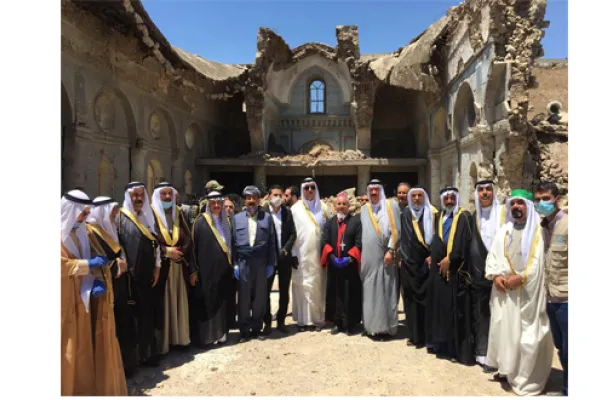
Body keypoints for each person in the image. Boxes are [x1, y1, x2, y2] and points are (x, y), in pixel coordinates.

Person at [485, 189, 553, 396]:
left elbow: (539, 262)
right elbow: (493, 256)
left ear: (529, 206)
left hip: (529, 294)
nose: (516, 207)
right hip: (505, 291)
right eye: (513, 203)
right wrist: (496, 276)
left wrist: (522, 277)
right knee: (505, 332)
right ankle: (507, 369)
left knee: (528, 336)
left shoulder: (540, 232)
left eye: (520, 203)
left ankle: (527, 378)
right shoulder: (504, 231)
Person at [116, 182, 162, 371]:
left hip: (147, 277)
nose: (139, 198)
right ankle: (132, 362)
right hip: (129, 280)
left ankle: (148, 355)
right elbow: (117, 246)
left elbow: (155, 244)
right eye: (135, 195)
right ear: (128, 196)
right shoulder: (120, 218)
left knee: (147, 316)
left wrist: (157, 266)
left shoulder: (147, 216)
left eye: (141, 195)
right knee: (132, 319)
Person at [86, 196, 128, 395]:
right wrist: (115, 265)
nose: (114, 214)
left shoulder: (107, 228)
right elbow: (95, 260)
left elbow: (118, 251)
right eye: (112, 211)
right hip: (102, 287)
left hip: (116, 285)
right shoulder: (91, 232)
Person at [426, 187, 473, 365]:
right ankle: (440, 344)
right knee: (440, 307)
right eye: (446, 198)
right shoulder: (438, 216)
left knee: (453, 310)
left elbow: (465, 241)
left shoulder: (464, 216)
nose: (449, 201)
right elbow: (437, 239)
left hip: (455, 271)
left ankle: (454, 348)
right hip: (438, 270)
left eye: (452, 198)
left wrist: (450, 258)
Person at [61, 189, 101, 395]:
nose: (85, 218)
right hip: (63, 301)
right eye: (82, 214)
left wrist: (95, 278)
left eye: (87, 214)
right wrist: (87, 265)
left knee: (81, 346)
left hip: (79, 298)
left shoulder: (80, 234)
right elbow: (60, 265)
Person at [467, 180, 506, 372]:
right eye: (481, 190)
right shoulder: (473, 217)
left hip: (501, 276)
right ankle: (482, 354)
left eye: (488, 189)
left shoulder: (504, 215)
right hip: (478, 276)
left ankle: (501, 357)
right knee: (480, 316)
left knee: (501, 317)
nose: (484, 193)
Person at [151, 182, 193, 354]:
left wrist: (181, 251)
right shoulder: (151, 214)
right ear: (157, 196)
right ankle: (164, 344)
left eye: (170, 193)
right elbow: (149, 240)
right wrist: (166, 252)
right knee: (163, 303)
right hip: (160, 268)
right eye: (164, 194)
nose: (168, 197)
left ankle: (179, 339)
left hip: (178, 267)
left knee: (178, 302)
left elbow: (188, 237)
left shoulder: (179, 213)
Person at [231, 186, 278, 342]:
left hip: (261, 262)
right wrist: (235, 264)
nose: (251, 201)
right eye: (248, 198)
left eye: (254, 198)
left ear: (259, 200)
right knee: (244, 297)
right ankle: (244, 331)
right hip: (243, 262)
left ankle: (256, 329)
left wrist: (271, 264)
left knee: (259, 297)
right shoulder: (236, 219)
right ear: (245, 200)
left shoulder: (267, 218)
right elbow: (232, 244)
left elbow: (272, 242)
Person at [534, 181, 568, 396]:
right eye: (538, 200)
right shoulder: (544, 226)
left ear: (557, 199)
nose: (542, 203)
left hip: (567, 298)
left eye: (546, 199)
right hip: (551, 297)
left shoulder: (568, 225)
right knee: (562, 347)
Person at [189, 191, 235, 346]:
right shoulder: (200, 221)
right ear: (208, 205)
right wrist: (193, 270)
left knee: (222, 303)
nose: (216, 206)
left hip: (224, 272)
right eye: (213, 203)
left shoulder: (226, 221)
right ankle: (209, 337)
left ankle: (222, 334)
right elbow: (193, 248)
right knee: (209, 303)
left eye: (218, 203)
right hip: (206, 272)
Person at [360, 179, 401, 340]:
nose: (373, 193)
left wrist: (391, 250)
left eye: (376, 189)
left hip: (385, 256)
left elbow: (396, 231)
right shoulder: (364, 209)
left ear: (381, 191)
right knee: (369, 291)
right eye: (371, 190)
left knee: (386, 290)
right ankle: (371, 327)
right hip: (369, 257)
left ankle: (385, 329)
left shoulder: (391, 206)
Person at [398, 187, 437, 348]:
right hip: (409, 264)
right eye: (413, 195)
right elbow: (402, 238)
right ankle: (414, 336)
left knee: (428, 300)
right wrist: (403, 258)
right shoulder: (405, 214)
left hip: (427, 263)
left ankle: (428, 337)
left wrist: (433, 255)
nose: (416, 198)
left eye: (420, 195)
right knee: (410, 300)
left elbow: (438, 237)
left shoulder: (432, 213)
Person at [290, 177, 330, 332]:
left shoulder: (324, 208)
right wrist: (292, 253)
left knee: (317, 287)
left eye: (312, 187)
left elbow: (329, 230)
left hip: (319, 255)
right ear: (302, 189)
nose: (310, 190)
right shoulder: (295, 209)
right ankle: (303, 321)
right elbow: (291, 233)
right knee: (303, 286)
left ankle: (317, 320)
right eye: (306, 188)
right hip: (300, 254)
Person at [320, 192, 362, 335]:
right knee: (335, 294)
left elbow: (359, 242)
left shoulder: (356, 221)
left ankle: (351, 324)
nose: (341, 206)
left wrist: (349, 259)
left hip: (349, 266)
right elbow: (324, 242)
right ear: (335, 206)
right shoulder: (329, 223)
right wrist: (332, 258)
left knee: (351, 293)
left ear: (349, 206)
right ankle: (337, 323)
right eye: (339, 204)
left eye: (344, 204)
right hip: (334, 267)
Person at [262, 184, 297, 334]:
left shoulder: (287, 212)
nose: (277, 198)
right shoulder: (262, 213)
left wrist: (286, 249)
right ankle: (267, 322)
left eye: (279, 195)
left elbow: (293, 233)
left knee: (284, 290)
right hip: (268, 259)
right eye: (274, 195)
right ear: (269, 196)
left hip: (284, 257)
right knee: (265, 291)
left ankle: (281, 321)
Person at [395, 182, 411, 304]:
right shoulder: (392, 210)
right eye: (399, 192)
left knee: (408, 290)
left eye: (404, 193)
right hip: (394, 256)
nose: (401, 195)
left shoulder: (414, 210)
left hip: (409, 257)